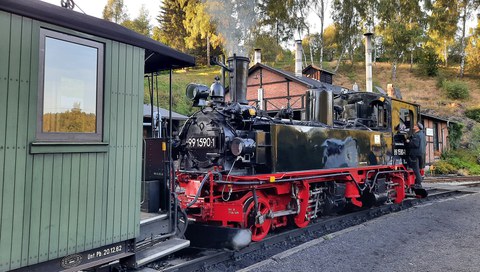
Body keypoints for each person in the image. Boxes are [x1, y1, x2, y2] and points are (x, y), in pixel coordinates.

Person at [406, 123, 425, 188]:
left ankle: (419, 184)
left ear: (417, 127)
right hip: (421, 153)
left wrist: (408, 142)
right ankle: (418, 182)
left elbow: (415, 144)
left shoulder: (416, 135)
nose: (413, 126)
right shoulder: (422, 134)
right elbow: (425, 143)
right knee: (418, 169)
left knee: (416, 169)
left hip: (415, 154)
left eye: (415, 125)